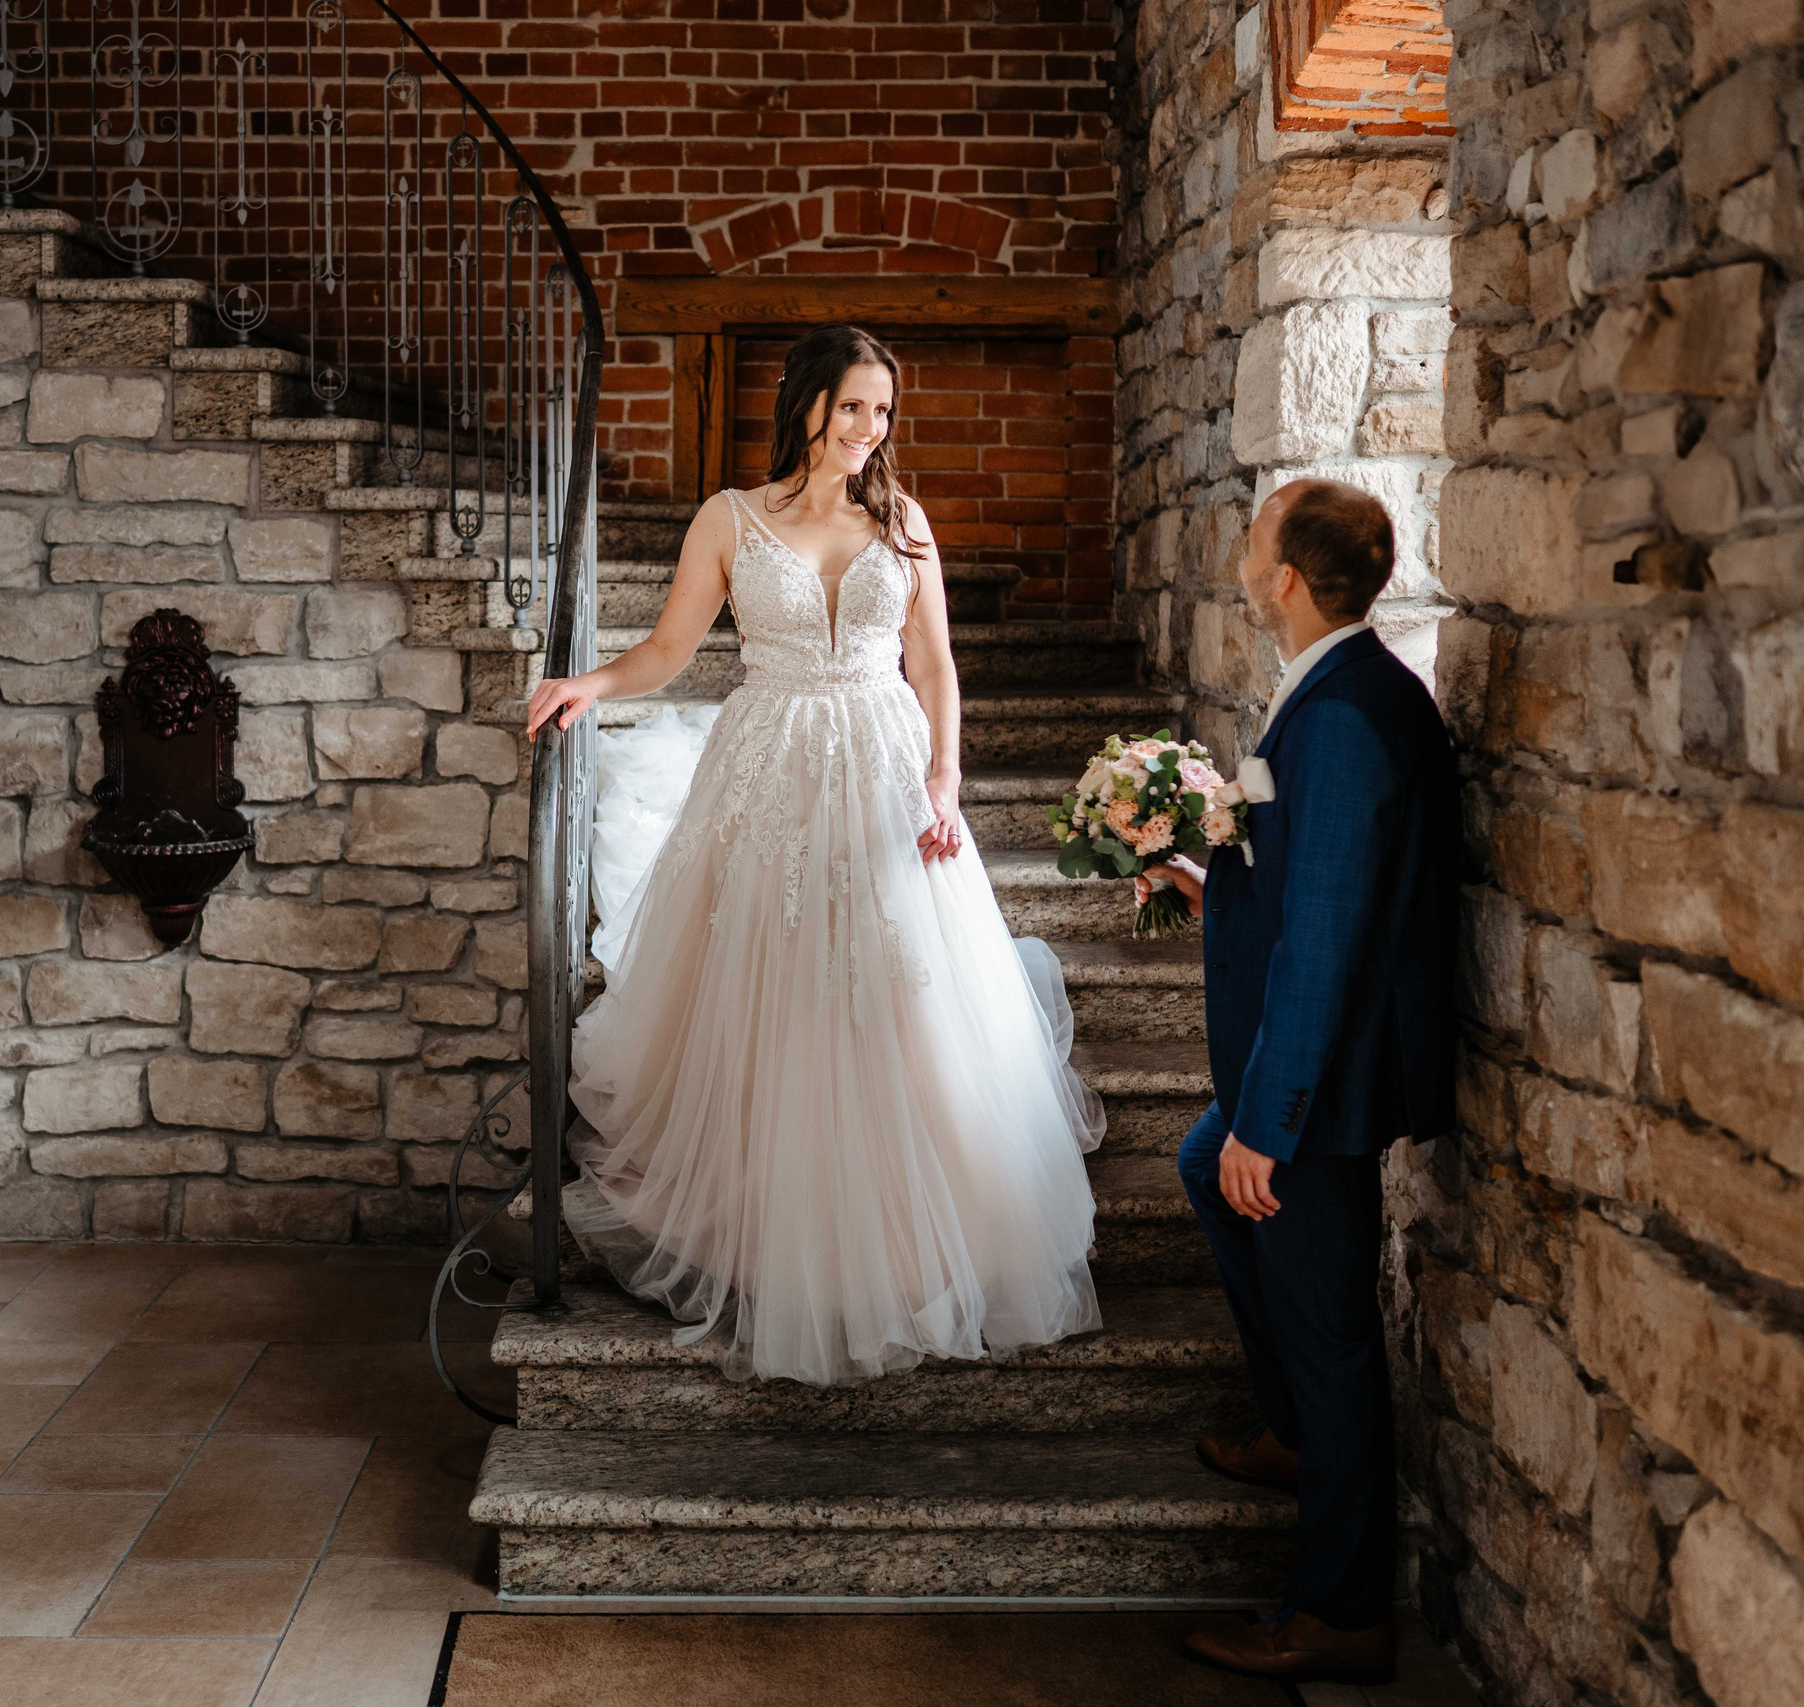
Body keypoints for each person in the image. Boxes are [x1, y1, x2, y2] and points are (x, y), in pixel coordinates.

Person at [523, 323, 1107, 1388]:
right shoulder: (729, 519)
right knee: (779, 989)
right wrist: (588, 686)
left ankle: (917, 1232)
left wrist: (945, 777)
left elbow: (935, 665)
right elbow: (669, 649)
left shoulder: (903, 520)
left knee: (900, 989)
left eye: (882, 411)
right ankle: (774, 1230)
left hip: (886, 768)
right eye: (852, 407)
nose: (868, 428)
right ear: (806, 407)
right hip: (772, 768)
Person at [1140, 479, 1459, 1687]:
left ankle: (1337, 1612)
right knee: (1199, 1167)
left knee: (1331, 1341)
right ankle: (1288, 1432)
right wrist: (1205, 879)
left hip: (1323, 1086)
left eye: (1252, 539)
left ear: (1283, 578)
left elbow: (1326, 938)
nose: (1238, 556)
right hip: (1313, 1067)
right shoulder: (1333, 684)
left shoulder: (1342, 715)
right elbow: (1305, 877)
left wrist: (1267, 1125)